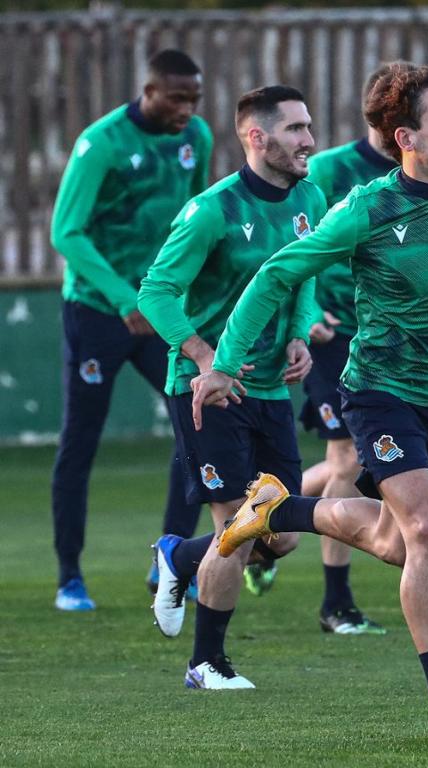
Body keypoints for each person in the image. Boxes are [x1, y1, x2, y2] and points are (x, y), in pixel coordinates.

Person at [192, 65, 428, 740]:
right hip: (380, 390)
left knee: (397, 541)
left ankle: (278, 508)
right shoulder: (367, 208)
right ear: (404, 136)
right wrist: (224, 363)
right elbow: (278, 272)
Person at [138, 85, 324, 689]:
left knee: (284, 534)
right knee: (238, 528)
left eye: (309, 126)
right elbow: (155, 292)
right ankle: (206, 663)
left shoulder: (312, 196)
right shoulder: (212, 210)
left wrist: (299, 334)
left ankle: (178, 555)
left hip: (270, 387)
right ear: (256, 137)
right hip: (207, 392)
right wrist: (202, 354)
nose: (309, 140)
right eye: (295, 129)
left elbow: (304, 276)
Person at [48, 49, 211, 611]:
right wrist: (123, 298)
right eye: (176, 98)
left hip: (158, 310)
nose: (186, 108)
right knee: (80, 442)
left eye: (194, 98)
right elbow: (65, 233)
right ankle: (70, 577)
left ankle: (171, 560)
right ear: (149, 91)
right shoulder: (102, 144)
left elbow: (194, 217)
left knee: (195, 422)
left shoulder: (198, 138)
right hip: (97, 310)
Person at [249, 62, 404, 635]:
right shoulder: (330, 172)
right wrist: (308, 316)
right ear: (383, 120)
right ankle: (336, 603)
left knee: (350, 462)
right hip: (333, 337)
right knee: (346, 461)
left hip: (389, 340)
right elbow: (292, 248)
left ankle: (259, 522)